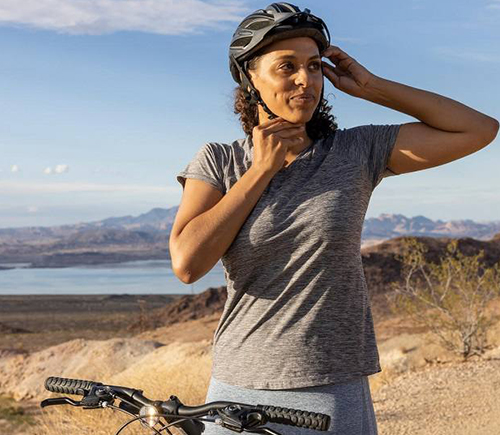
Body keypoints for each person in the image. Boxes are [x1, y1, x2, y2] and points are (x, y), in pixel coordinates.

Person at [169, 3, 498, 435]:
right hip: (238, 388)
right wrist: (260, 171)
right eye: (286, 67)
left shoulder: (355, 152)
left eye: (313, 67)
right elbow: (188, 264)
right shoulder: (221, 160)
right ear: (251, 77)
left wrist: (372, 86)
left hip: (332, 386)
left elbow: (478, 129)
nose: (305, 80)